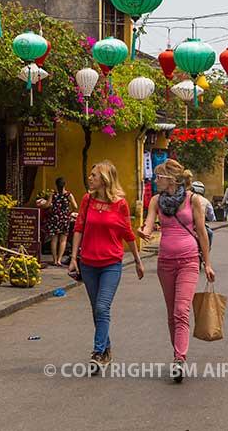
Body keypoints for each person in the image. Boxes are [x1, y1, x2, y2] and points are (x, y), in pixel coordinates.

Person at [138, 159, 215, 383]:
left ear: (171, 179)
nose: (156, 180)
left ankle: (179, 359)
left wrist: (207, 264)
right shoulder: (155, 201)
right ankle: (177, 354)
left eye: (159, 177)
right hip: (166, 263)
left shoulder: (193, 200)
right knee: (172, 313)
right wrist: (143, 232)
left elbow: (201, 233)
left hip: (189, 261)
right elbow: (149, 225)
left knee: (181, 310)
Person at [69, 161, 143, 376]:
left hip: (111, 264)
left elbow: (128, 233)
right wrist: (74, 258)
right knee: (96, 309)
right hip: (89, 263)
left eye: (94, 175)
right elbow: (79, 227)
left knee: (102, 307)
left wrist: (138, 260)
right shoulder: (87, 199)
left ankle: (98, 353)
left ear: (105, 179)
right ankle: (107, 347)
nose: (90, 178)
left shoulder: (119, 204)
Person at [44, 177, 78, 267]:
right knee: (63, 240)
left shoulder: (53, 194)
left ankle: (54, 260)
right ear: (64, 184)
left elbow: (47, 205)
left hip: (54, 218)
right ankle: (59, 260)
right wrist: (69, 212)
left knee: (54, 240)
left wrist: (50, 206)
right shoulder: (69, 195)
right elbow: (75, 206)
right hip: (64, 218)